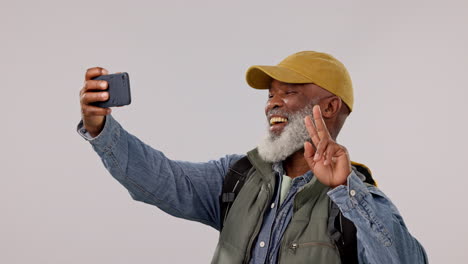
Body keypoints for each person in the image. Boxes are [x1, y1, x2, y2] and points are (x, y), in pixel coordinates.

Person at [77, 51, 428, 263]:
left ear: (330, 107)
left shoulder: (356, 197)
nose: (272, 102)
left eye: (288, 93)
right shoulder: (238, 175)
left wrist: (348, 192)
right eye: (270, 94)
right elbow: (163, 180)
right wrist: (101, 129)